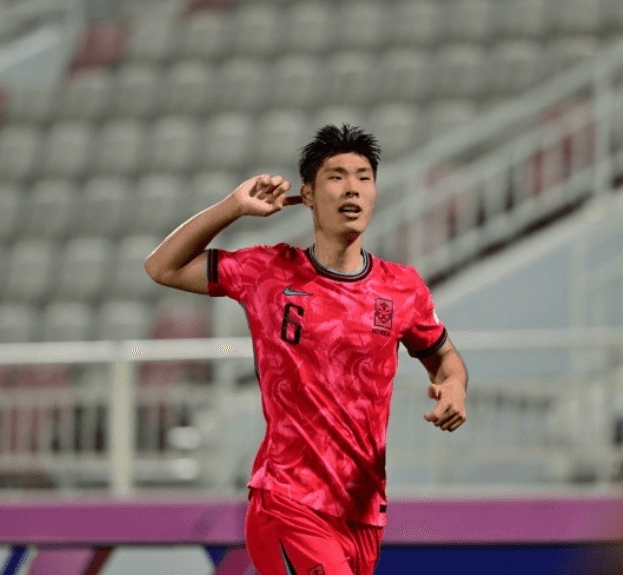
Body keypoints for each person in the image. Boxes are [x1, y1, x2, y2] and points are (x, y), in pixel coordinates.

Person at [144, 125, 468, 575]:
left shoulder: (402, 288)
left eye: (363, 176)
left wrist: (453, 387)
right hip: (288, 503)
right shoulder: (268, 271)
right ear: (308, 195)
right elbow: (162, 266)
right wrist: (234, 207)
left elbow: (445, 360)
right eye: (336, 176)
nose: (352, 187)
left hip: (363, 514)